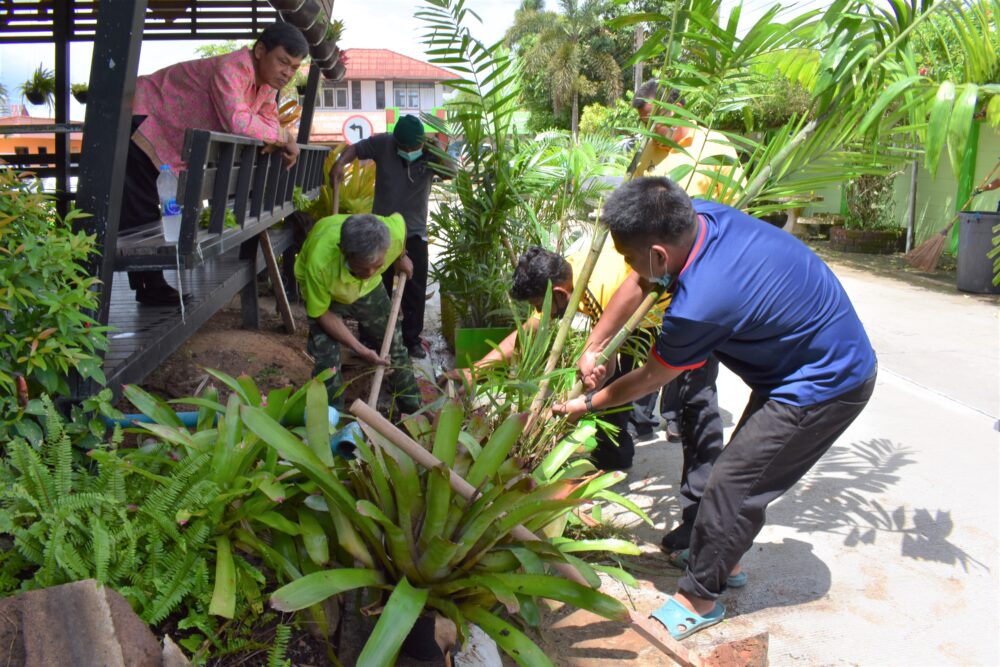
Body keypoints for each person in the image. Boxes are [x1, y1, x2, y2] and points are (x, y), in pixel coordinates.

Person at [555, 177, 877, 640]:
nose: (629, 266)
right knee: (741, 474)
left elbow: (649, 378)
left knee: (734, 483)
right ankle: (725, 559)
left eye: (629, 256)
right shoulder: (693, 215)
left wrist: (585, 404)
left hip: (827, 382)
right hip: (797, 362)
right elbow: (638, 279)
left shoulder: (699, 304)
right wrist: (595, 346)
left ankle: (699, 598)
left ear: (659, 254)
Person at [123, 22, 307, 306]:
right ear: (260, 50)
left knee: (149, 203)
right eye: (283, 61)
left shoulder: (265, 88)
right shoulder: (232, 69)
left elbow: (268, 122)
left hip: (168, 131)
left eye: (294, 67)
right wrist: (284, 138)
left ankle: (151, 285)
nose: (287, 72)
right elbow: (239, 123)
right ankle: (149, 286)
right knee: (140, 204)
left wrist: (279, 136)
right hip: (143, 114)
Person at [449, 242, 671, 471]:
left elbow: (606, 370)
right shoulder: (565, 271)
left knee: (629, 384)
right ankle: (614, 456)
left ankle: (617, 459)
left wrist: (563, 411)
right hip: (631, 310)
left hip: (660, 312)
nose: (543, 312)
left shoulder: (602, 290)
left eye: (540, 305)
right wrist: (476, 369)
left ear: (559, 294)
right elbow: (531, 329)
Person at [630, 80, 737, 550]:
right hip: (659, 293)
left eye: (653, 120)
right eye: (643, 123)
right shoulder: (654, 149)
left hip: (700, 297)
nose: (649, 131)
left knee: (696, 400)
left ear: (674, 111)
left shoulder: (713, 151)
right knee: (671, 388)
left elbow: (717, 226)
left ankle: (699, 522)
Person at [331, 116, 453, 360]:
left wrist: (439, 149)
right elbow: (355, 149)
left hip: (413, 232)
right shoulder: (384, 143)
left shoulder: (431, 154)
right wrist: (340, 163)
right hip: (381, 230)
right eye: (402, 147)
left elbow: (451, 172)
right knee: (375, 284)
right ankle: (370, 339)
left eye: (412, 147)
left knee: (415, 290)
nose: (407, 151)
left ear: (421, 143)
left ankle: (411, 340)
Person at [294, 213, 421, 416]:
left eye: (377, 266)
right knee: (326, 360)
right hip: (329, 291)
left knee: (394, 344)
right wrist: (361, 349)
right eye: (362, 268)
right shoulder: (319, 264)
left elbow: (402, 224)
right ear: (345, 252)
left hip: (369, 290)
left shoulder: (393, 234)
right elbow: (323, 314)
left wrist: (401, 256)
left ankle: (413, 411)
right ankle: (330, 418)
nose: (370, 273)